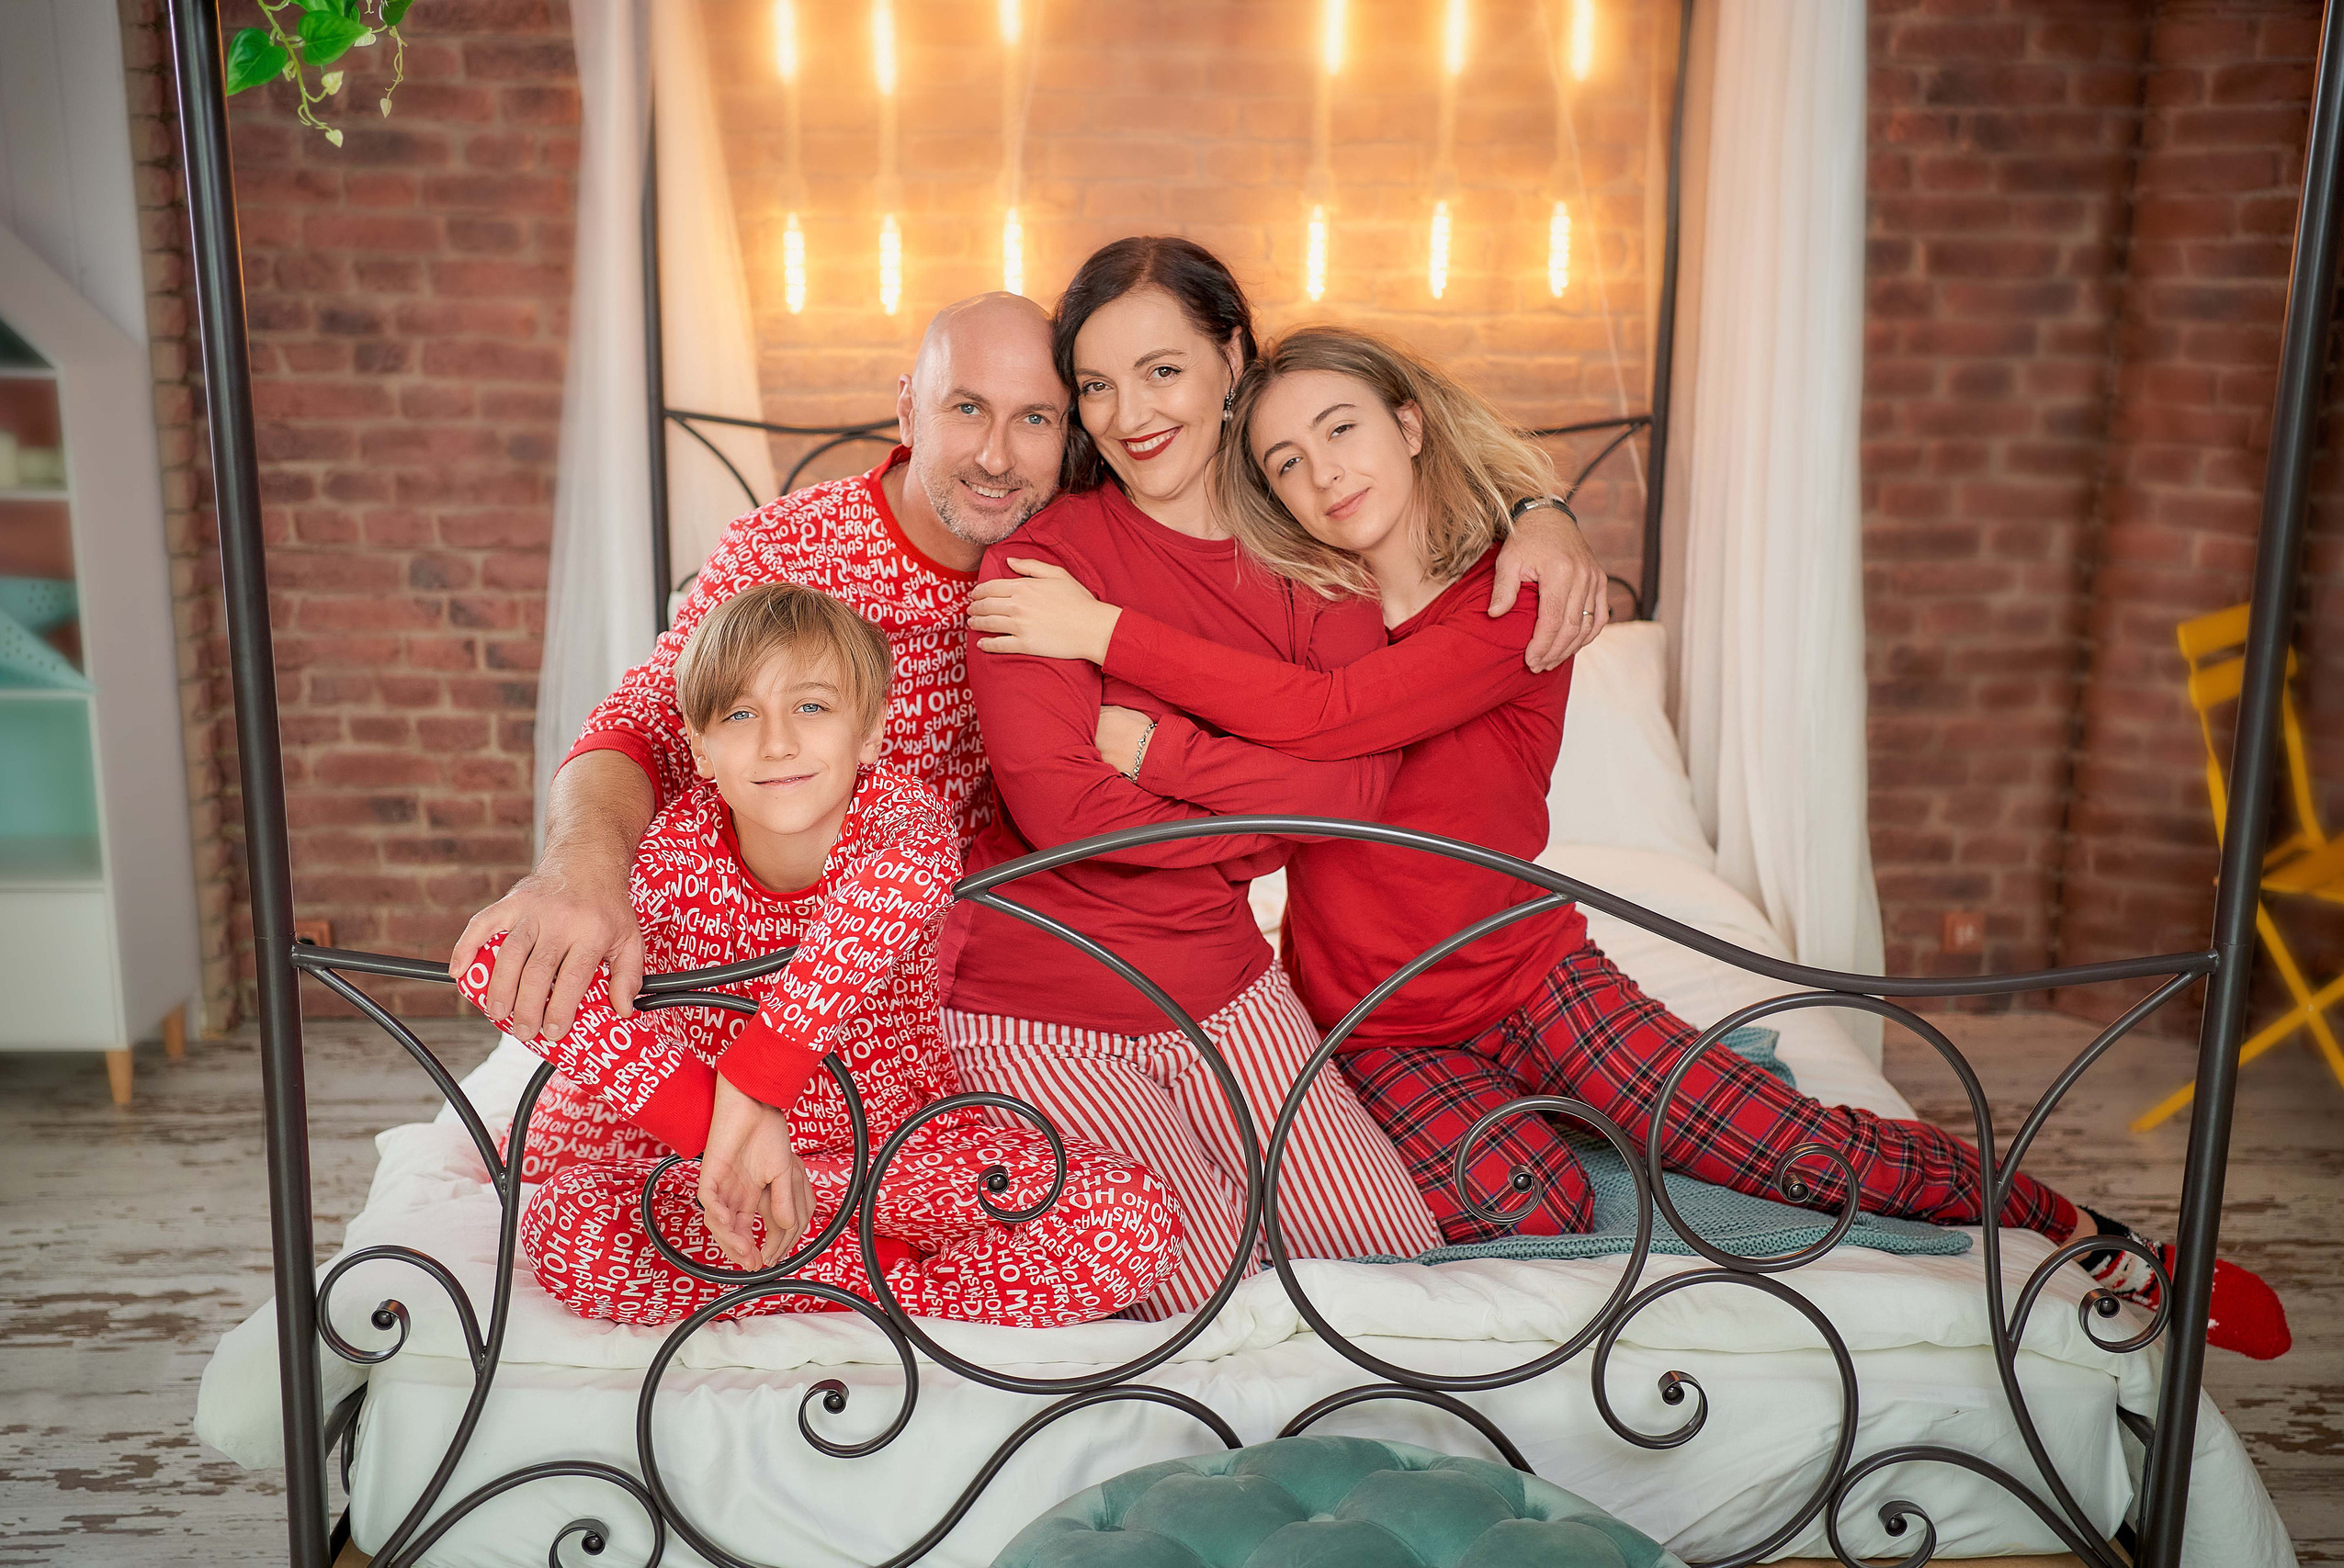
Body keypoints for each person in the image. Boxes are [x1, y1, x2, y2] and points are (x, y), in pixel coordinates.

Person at [965, 323, 2293, 1360]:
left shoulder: (1518, 591)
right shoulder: (1305, 595)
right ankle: (1625, 1145)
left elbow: (1334, 735)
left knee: (1802, 1152)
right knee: (1531, 1209)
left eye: (1341, 430)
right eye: (1287, 463)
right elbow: (1301, 773)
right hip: (1372, 1019)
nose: (1322, 475)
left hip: (1525, 967)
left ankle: (2082, 1229)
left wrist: (1119, 667)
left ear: (1411, 423)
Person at [454, 291, 1605, 1053]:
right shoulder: (794, 551)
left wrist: (1535, 508)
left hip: (951, 984)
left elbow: (1342, 448)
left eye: (1041, 418)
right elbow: (643, 723)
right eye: (966, 410)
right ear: (906, 408)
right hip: (762, 955)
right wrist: (579, 874)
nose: (1000, 454)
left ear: (1078, 436)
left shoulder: (1101, 542)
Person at [938, 240, 1444, 1318]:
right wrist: (1271, 819)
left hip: (1219, 978)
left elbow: (1360, 802)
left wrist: (1171, 767)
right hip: (1035, 990)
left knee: (1393, 1277)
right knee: (1211, 1284)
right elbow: (1067, 818)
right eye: (1095, 386)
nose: (1129, 415)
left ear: (1231, 361)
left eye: (1162, 370)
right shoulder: (1039, 563)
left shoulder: (1318, 561)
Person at [457, 582, 1181, 1326]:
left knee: (1129, 1217)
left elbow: (891, 892)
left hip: (896, 1154)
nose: (778, 742)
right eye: (741, 713)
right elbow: (490, 966)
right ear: (699, 748)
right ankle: (871, 1269)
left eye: (811, 706)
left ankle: (831, 1271)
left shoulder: (903, 818)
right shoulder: (666, 857)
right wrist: (727, 1135)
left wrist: (755, 1085)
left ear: (869, 733)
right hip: (711, 1168)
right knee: (565, 1230)